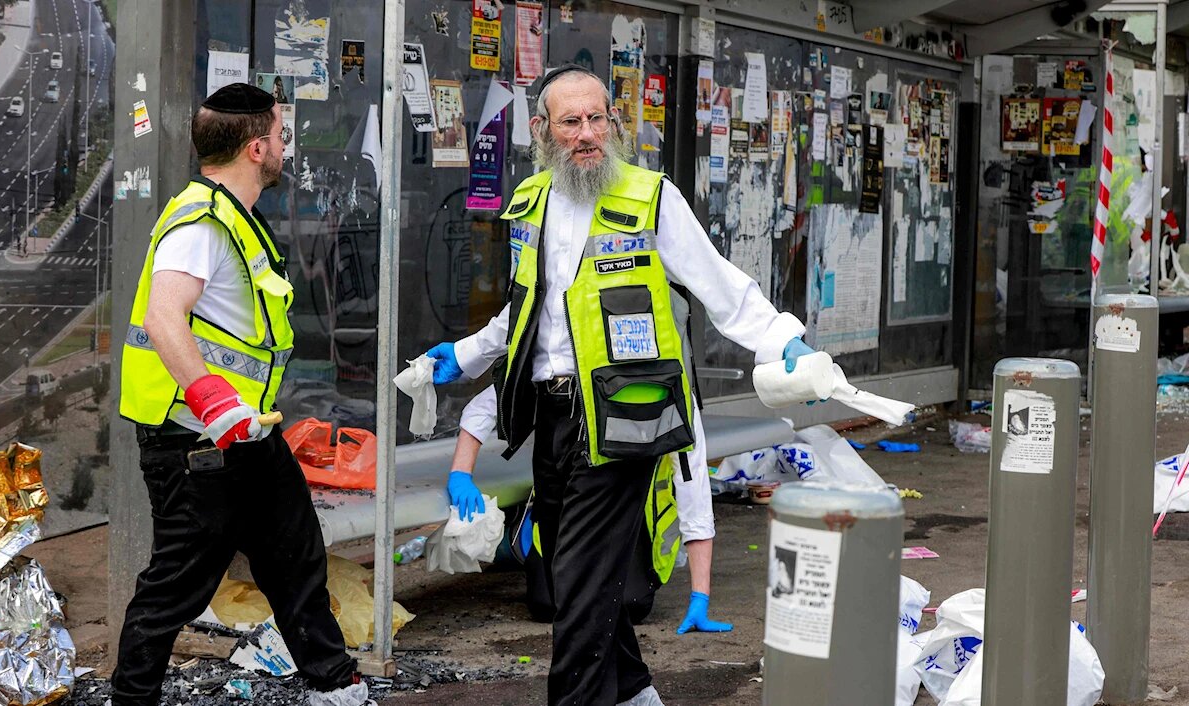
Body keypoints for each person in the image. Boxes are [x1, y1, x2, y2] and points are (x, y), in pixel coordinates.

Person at [421, 65, 818, 706]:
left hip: (622, 414)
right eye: (571, 122)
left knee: (575, 585)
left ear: (613, 122)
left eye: (597, 118)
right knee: (583, 573)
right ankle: (632, 691)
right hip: (548, 419)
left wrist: (782, 339)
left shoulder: (649, 196)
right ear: (544, 130)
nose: (587, 135)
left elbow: (719, 285)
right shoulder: (527, 203)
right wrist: (464, 357)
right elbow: (523, 311)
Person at [113, 83, 372, 706]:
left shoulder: (234, 218)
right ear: (257, 148)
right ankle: (131, 697)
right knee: (180, 582)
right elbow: (163, 317)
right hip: (196, 440)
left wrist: (236, 414)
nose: (286, 146)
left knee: (295, 553)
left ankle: (334, 685)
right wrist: (214, 402)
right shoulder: (199, 221)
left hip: (246, 435)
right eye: (281, 135)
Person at [450, 385, 733, 635]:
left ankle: (518, 541)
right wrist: (461, 474)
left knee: (626, 605)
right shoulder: (565, 363)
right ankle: (515, 538)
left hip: (632, 523)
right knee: (548, 604)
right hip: (565, 512)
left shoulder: (666, 379)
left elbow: (693, 486)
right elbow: (485, 405)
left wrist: (700, 596)